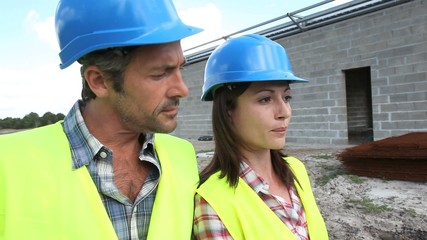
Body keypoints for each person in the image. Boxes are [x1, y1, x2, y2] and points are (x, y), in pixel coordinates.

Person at [0, 0, 202, 239]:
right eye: (160, 73)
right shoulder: (8, 163)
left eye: (180, 68)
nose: (182, 89)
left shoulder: (184, 157)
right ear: (99, 81)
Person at [193, 34, 329, 240]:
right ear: (228, 109)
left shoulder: (296, 170)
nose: (284, 111)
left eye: (286, 97)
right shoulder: (212, 202)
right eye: (265, 99)